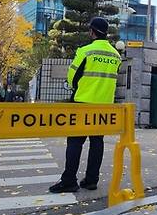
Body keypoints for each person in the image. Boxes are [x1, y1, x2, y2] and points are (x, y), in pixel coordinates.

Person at [49, 17, 121, 193]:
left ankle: (69, 181)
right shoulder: (115, 55)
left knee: (75, 142)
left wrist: (78, 88)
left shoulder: (86, 51)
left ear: (92, 31)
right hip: (104, 106)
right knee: (97, 142)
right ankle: (91, 180)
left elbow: (72, 77)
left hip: (82, 102)